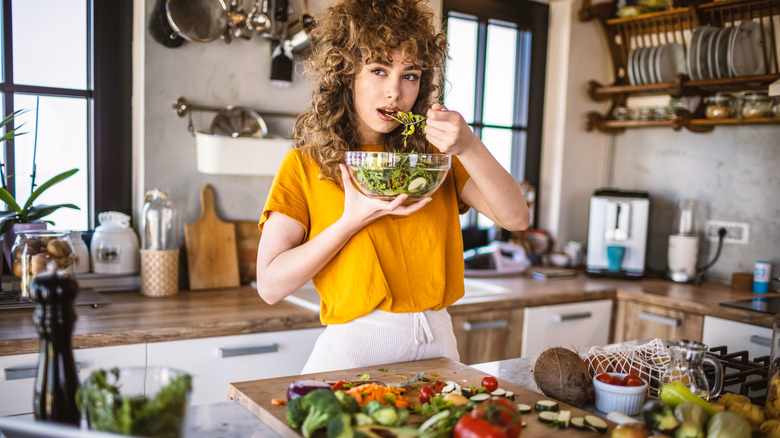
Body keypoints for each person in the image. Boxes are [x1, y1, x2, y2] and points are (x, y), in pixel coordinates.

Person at [256, 0, 529, 374]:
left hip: (439, 342)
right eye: (379, 70)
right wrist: (350, 221)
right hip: (355, 348)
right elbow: (269, 286)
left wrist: (469, 145)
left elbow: (516, 218)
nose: (395, 91)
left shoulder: (437, 158)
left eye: (410, 75)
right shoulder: (306, 164)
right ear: (346, 73)